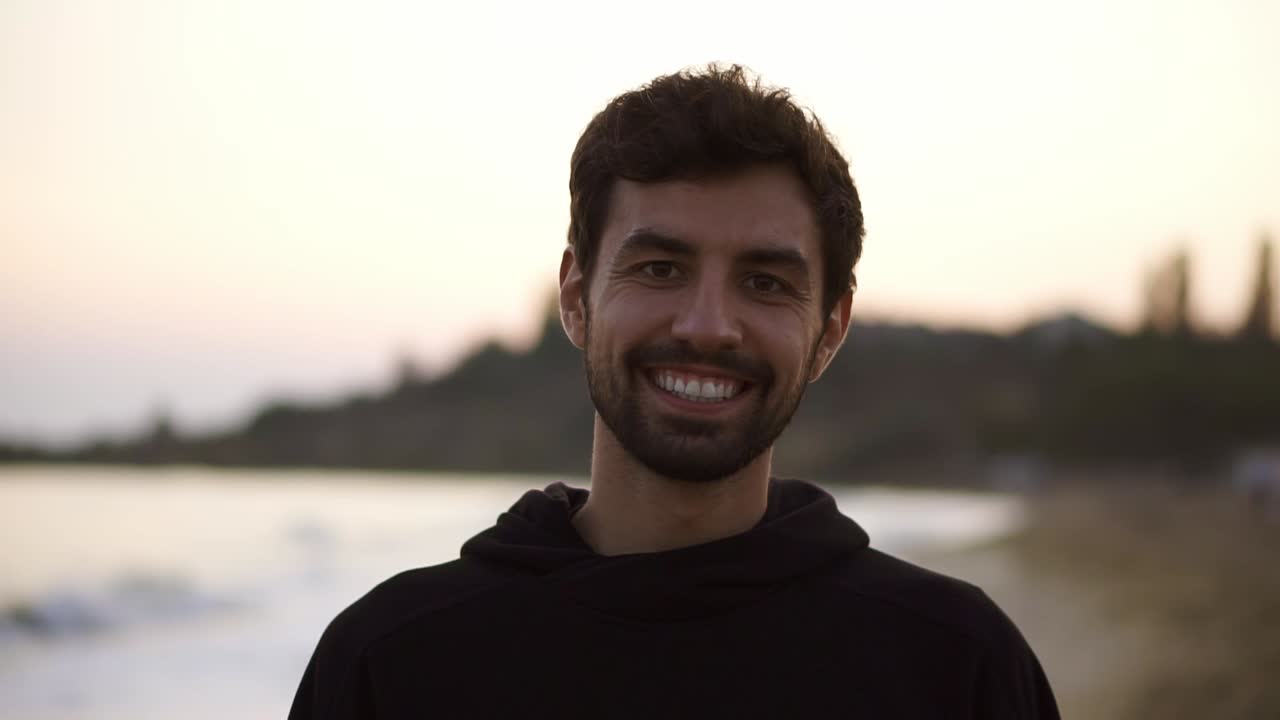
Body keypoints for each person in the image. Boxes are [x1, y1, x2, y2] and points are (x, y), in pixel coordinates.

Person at [289, 64, 1060, 719]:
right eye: (660, 268)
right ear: (577, 297)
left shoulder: (956, 667)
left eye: (764, 282)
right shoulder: (392, 665)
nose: (707, 326)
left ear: (830, 328)